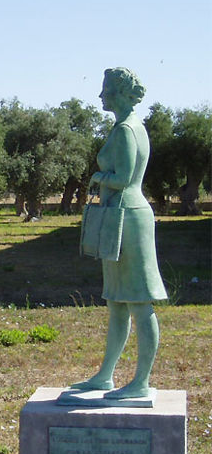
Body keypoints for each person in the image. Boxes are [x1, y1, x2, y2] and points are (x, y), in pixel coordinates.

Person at [71, 68, 167, 399]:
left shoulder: (127, 129)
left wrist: (98, 177)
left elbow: (124, 177)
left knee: (139, 301)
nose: (101, 95)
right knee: (116, 302)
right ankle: (105, 376)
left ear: (122, 94)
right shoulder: (128, 126)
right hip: (119, 216)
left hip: (128, 216)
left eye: (107, 90)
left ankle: (140, 382)